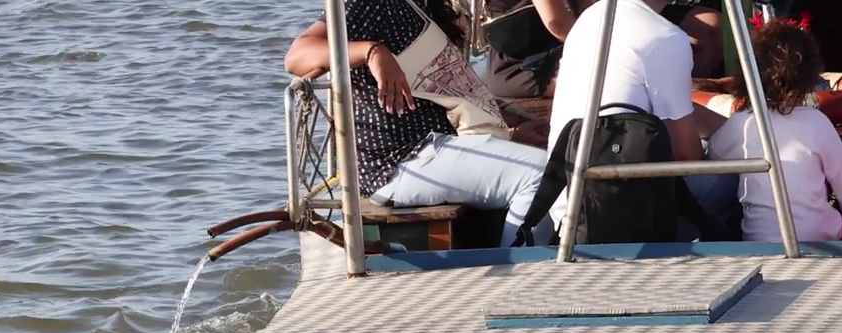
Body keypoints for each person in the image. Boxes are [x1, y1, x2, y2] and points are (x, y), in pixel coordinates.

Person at [284, 0, 554, 246]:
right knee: (542, 174)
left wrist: (513, 130)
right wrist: (371, 51)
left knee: (555, 154)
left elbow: (453, 93)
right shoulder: (368, 4)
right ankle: (521, 266)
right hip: (396, 162)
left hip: (437, 145)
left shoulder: (424, 7)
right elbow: (297, 55)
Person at [544, 0, 735, 226]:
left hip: (566, 200)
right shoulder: (663, 36)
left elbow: (673, 113)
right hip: (617, 212)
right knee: (734, 179)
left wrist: (732, 126)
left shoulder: (590, 18)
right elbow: (686, 154)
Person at [710, 20, 842, 243]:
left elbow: (713, 154)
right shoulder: (817, 123)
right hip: (821, 240)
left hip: (758, 241)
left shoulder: (741, 123)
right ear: (809, 73)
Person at [482, 0, 725, 100]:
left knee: (709, 25)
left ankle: (690, 94)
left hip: (603, 21)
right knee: (622, 79)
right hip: (532, 57)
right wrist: (619, 50)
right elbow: (557, 22)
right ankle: (689, 97)